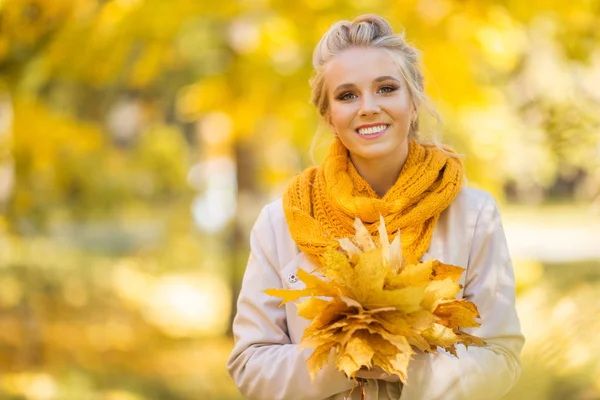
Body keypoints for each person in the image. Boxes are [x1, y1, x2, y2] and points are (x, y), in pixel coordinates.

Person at [227, 14, 524, 400]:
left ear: (412, 102)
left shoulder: (472, 214)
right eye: (347, 95)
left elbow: (501, 357)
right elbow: (250, 364)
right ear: (330, 117)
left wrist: (397, 362)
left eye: (386, 89)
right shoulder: (282, 222)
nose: (367, 107)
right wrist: (348, 359)